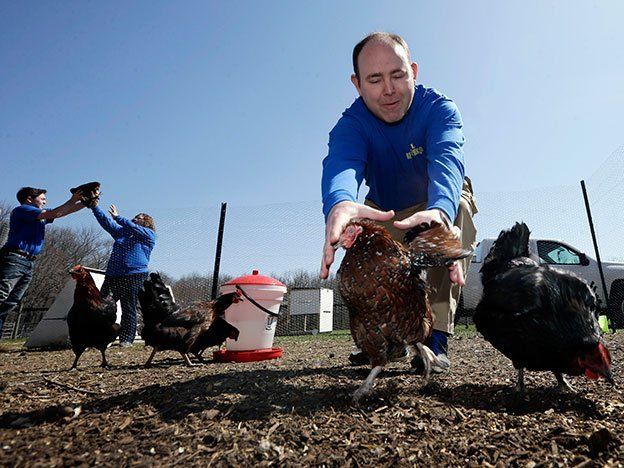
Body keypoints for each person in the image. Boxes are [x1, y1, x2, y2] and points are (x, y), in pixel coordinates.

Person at [320, 32, 478, 372]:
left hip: (434, 200)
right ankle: (383, 342)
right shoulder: (351, 125)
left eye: (397, 75)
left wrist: (441, 210)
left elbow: (448, 161)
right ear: (357, 84)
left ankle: (435, 338)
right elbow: (341, 165)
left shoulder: (439, 109)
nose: (388, 90)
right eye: (374, 79)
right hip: (385, 209)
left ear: (414, 72)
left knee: (457, 214)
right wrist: (339, 203)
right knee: (360, 242)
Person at [0, 187, 86, 333]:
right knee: (2, 295)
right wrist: (73, 199)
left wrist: (86, 202)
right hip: (15, 258)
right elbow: (56, 213)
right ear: (29, 199)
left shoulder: (39, 215)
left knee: (10, 302)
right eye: (42, 199)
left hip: (28, 262)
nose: (45, 202)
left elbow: (63, 211)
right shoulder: (23, 210)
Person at [90, 201, 156, 347]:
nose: (134, 219)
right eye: (134, 217)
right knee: (103, 304)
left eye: (138, 218)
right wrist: (94, 207)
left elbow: (133, 227)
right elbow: (105, 222)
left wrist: (118, 218)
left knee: (128, 306)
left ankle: (126, 338)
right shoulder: (122, 232)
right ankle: (101, 336)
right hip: (113, 274)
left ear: (146, 222)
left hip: (134, 275)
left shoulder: (148, 235)